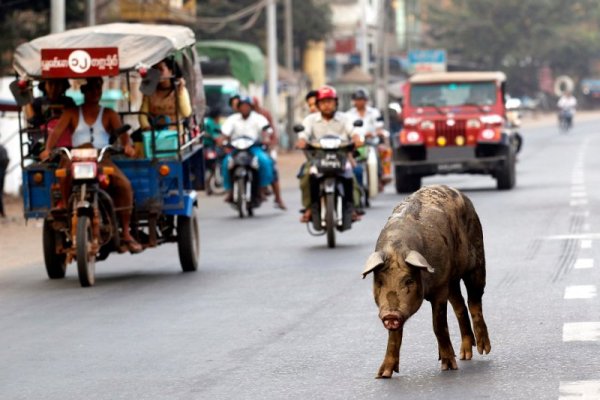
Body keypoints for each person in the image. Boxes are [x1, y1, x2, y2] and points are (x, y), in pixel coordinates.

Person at [39, 77, 142, 253]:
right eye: (92, 88)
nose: (96, 92)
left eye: (98, 88)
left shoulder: (109, 113)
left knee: (125, 185)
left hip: (102, 158)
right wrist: (48, 149)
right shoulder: (71, 112)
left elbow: (125, 139)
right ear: (84, 91)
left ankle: (125, 232)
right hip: (76, 156)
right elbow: (55, 134)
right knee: (62, 174)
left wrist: (128, 147)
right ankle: (65, 207)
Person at [296, 86, 363, 223]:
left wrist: (356, 138)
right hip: (317, 157)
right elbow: (304, 134)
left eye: (330, 101)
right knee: (306, 177)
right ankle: (310, 208)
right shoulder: (310, 120)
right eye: (323, 102)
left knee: (352, 177)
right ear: (318, 105)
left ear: (336, 103)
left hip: (341, 156)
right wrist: (302, 141)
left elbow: (353, 131)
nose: (327, 105)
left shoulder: (345, 118)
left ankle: (352, 208)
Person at [220, 96, 276, 205]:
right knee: (226, 162)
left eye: (247, 106)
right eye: (242, 106)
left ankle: (262, 188)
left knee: (264, 161)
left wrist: (265, 139)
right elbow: (225, 134)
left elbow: (266, 130)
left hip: (253, 148)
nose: (244, 108)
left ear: (250, 107)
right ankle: (230, 190)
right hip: (236, 148)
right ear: (238, 108)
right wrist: (223, 141)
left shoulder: (258, 118)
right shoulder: (232, 119)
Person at [345, 88, 392, 189]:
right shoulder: (348, 115)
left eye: (362, 99)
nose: (360, 102)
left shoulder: (374, 112)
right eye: (358, 99)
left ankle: (381, 176)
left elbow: (379, 127)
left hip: (371, 142)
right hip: (355, 143)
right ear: (354, 101)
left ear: (366, 100)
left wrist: (374, 133)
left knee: (382, 150)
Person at [139, 58, 192, 134]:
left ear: (171, 71)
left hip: (176, 135)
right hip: (155, 135)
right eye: (155, 69)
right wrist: (147, 128)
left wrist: (180, 93)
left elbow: (186, 113)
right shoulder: (150, 92)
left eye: (161, 69)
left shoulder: (180, 90)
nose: (157, 73)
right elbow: (143, 114)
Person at [252, 96, 286, 210]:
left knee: (270, 165)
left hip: (262, 147)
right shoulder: (238, 117)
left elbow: (270, 130)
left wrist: (270, 142)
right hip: (244, 147)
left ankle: (277, 197)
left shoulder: (263, 115)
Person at [25, 78, 76, 148]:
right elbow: (34, 121)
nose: (54, 88)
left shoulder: (68, 102)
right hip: (43, 141)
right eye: (50, 84)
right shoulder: (38, 102)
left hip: (65, 142)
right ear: (44, 85)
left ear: (62, 86)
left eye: (57, 84)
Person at [0, 137, 8, 218]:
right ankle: (2, 212)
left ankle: (2, 211)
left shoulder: (2, 149)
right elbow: (6, 160)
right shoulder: (2, 149)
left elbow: (6, 160)